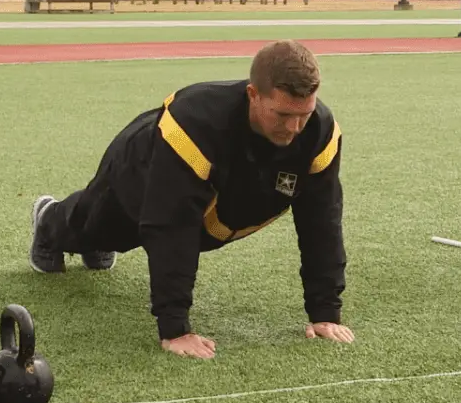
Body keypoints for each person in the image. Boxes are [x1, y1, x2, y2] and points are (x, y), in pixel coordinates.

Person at [28, 40, 354, 360]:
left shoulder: (320, 134)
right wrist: (175, 328)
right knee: (95, 226)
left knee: (125, 234)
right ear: (253, 95)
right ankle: (47, 219)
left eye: (304, 115)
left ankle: (95, 240)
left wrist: (325, 311)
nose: (295, 128)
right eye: (282, 115)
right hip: (141, 170)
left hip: (216, 206)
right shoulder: (195, 123)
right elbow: (171, 224)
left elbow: (321, 222)